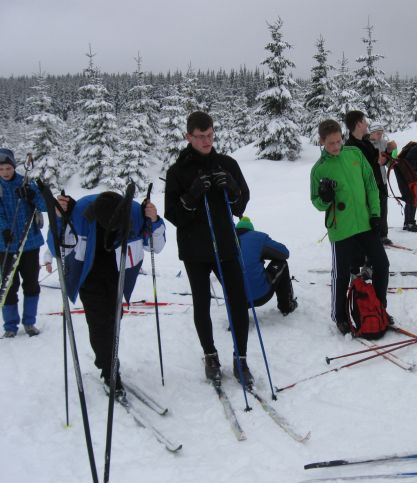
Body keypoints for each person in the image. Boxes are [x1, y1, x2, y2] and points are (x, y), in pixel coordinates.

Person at [164, 111, 252, 386]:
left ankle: (241, 358)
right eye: (200, 137)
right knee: (201, 302)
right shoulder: (177, 171)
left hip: (225, 243)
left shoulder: (227, 163)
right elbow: (173, 215)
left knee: (237, 300)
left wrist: (234, 190)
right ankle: (210, 355)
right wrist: (190, 198)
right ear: (188, 137)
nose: (206, 141)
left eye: (210, 135)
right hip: (195, 248)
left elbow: (241, 205)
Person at [51, 191, 165, 394]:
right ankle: (109, 369)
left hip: (117, 275)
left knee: (113, 319)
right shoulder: (80, 212)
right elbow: (55, 247)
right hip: (89, 274)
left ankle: (109, 358)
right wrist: (58, 220)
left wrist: (154, 220)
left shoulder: (135, 212)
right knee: (99, 323)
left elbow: (156, 247)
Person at [310, 119, 390, 335]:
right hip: (341, 228)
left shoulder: (354, 154)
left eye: (338, 141)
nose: (336, 147)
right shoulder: (319, 169)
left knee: (382, 265)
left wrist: (375, 214)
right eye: (331, 144)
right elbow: (316, 202)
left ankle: (379, 306)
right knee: (341, 274)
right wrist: (325, 198)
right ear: (322, 142)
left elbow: (371, 184)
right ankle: (340, 316)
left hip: (365, 223)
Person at [0, 148, 46, 338]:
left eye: (8, 168)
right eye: (1, 169)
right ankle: (10, 325)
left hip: (29, 243)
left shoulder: (26, 183)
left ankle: (29, 322)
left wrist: (31, 195)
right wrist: (4, 229)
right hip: (5, 245)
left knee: (31, 283)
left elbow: (44, 206)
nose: (5, 172)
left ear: (14, 166)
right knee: (8, 285)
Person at [344, 111, 391, 245]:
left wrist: (384, 156)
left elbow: (375, 160)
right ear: (358, 124)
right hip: (365, 195)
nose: (367, 124)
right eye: (364, 122)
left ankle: (380, 238)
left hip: (377, 187)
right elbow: (356, 174)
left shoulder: (365, 142)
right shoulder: (350, 147)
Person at [235, 216, 297, 315]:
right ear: (251, 229)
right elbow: (284, 253)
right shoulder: (257, 238)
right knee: (282, 263)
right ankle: (286, 306)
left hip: (235, 300)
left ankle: (237, 316)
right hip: (260, 295)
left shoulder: (226, 241)